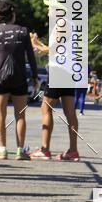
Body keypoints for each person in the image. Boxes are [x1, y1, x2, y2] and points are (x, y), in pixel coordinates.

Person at [0, 0, 38, 160]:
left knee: (0, 113)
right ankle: (20, 151)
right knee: (20, 115)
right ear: (12, 14)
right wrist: (34, 76)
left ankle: (2, 150)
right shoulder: (23, 31)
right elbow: (31, 57)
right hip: (19, 78)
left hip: (0, 78)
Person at [28, 31, 80, 161]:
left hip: (58, 71)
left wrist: (36, 44)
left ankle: (45, 149)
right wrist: (38, 43)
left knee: (46, 108)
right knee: (70, 112)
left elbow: (52, 49)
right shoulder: (67, 24)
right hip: (67, 71)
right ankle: (73, 151)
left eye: (50, 8)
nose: (47, 10)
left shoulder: (61, 24)